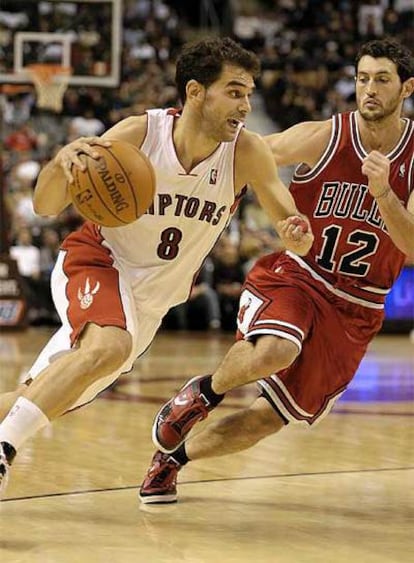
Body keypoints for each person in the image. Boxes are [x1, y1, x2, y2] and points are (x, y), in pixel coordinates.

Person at [0, 37, 312, 497]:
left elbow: (284, 213)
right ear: (195, 92)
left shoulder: (246, 152)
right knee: (107, 346)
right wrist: (59, 165)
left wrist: (295, 232)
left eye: (249, 93)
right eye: (234, 91)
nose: (246, 105)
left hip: (149, 305)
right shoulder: (138, 135)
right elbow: (46, 205)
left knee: (40, 396)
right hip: (97, 262)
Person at [139, 37, 414, 504]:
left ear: (406, 88)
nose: (369, 89)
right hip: (299, 275)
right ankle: (205, 391)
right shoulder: (325, 135)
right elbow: (241, 155)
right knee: (275, 351)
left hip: (359, 307)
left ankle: (173, 459)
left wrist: (385, 193)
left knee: (268, 419)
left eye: (382, 80)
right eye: (362, 78)